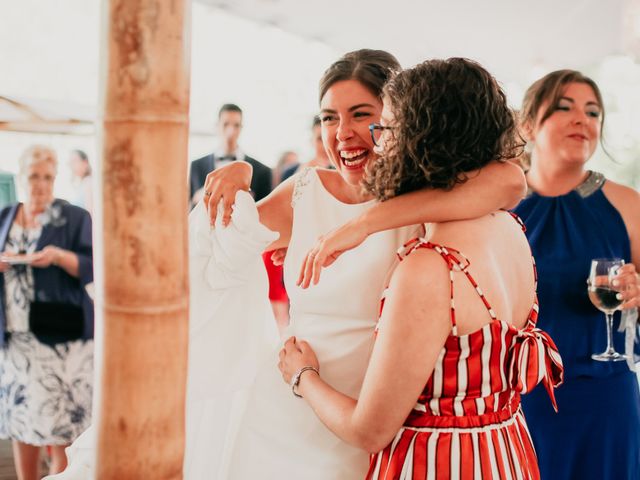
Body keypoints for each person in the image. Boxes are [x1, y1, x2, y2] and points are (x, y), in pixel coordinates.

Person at [49, 49, 525, 480]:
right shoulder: (305, 193)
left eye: (363, 115)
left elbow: (509, 181)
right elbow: (216, 244)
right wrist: (241, 176)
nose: (343, 134)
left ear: (400, 121)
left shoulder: (433, 197)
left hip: (382, 422)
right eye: (328, 118)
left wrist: (366, 223)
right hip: (292, 409)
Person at [280, 57, 563, 480]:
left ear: (420, 138)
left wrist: (303, 375)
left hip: (437, 464)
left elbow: (370, 430)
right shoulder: (510, 228)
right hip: (505, 452)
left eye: (386, 128)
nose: (380, 142)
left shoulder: (430, 267)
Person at [512, 70, 640, 480]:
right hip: (519, 398)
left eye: (592, 112)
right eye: (564, 108)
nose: (582, 120)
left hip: (605, 397)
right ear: (528, 124)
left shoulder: (627, 205)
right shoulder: (501, 208)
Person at [0, 145, 94, 480]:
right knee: (22, 423)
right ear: (21, 176)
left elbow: (93, 266)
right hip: (15, 340)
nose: (41, 185)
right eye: (34, 177)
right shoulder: (6, 215)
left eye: (48, 178)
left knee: (61, 432)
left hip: (62, 342)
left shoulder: (73, 217)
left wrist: (57, 257)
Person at [188, 103, 272, 207]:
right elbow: (188, 211)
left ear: (241, 128)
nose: (231, 131)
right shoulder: (196, 166)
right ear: (217, 126)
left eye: (236, 125)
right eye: (226, 124)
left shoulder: (262, 171)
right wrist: (198, 197)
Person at [281, 116, 331, 183]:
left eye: (329, 139)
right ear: (311, 140)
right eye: (320, 139)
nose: (325, 145)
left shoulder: (344, 173)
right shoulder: (290, 172)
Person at [68, 149, 93, 216]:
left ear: (85, 162)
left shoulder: (88, 182)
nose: (71, 165)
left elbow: (90, 212)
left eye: (74, 161)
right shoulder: (81, 184)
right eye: (70, 162)